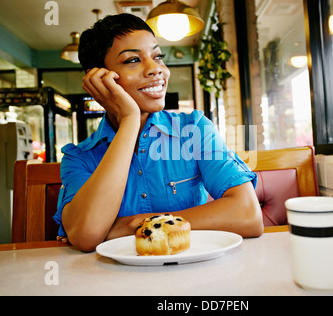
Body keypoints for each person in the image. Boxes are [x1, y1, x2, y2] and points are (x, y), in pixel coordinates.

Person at [53, 13, 263, 252]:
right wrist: (129, 120)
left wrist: (133, 224)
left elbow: (248, 215)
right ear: (100, 80)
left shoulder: (194, 129)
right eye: (133, 60)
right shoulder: (79, 157)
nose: (156, 69)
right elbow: (86, 235)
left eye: (157, 56)